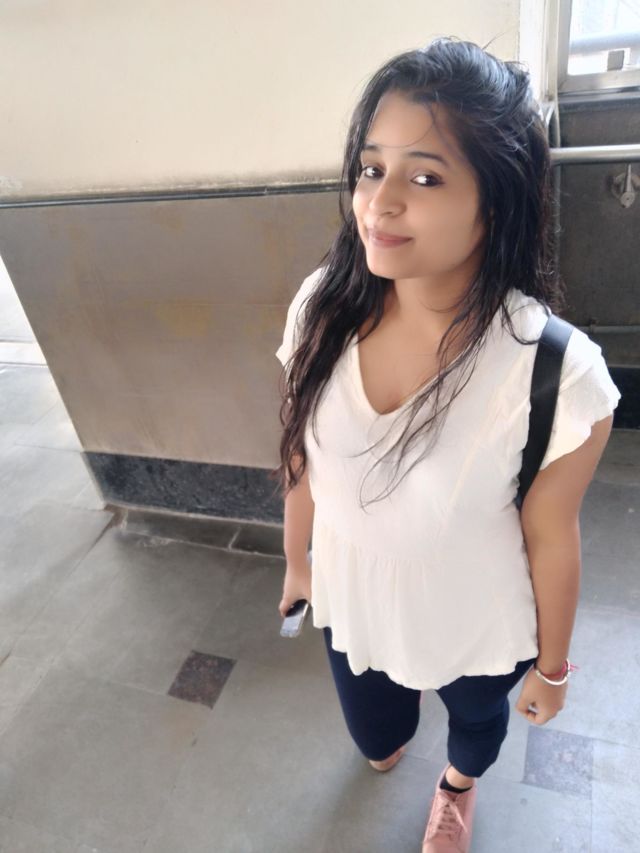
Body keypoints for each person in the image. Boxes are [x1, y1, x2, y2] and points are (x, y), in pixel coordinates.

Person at [273, 37, 621, 853]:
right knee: (375, 736)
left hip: (475, 615)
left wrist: (553, 668)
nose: (380, 203)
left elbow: (552, 536)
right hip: (353, 592)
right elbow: (302, 453)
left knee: (476, 726)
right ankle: (394, 742)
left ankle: (458, 788)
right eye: (371, 168)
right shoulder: (323, 306)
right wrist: (297, 560)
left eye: (424, 177)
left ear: (495, 202)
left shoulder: (555, 370)